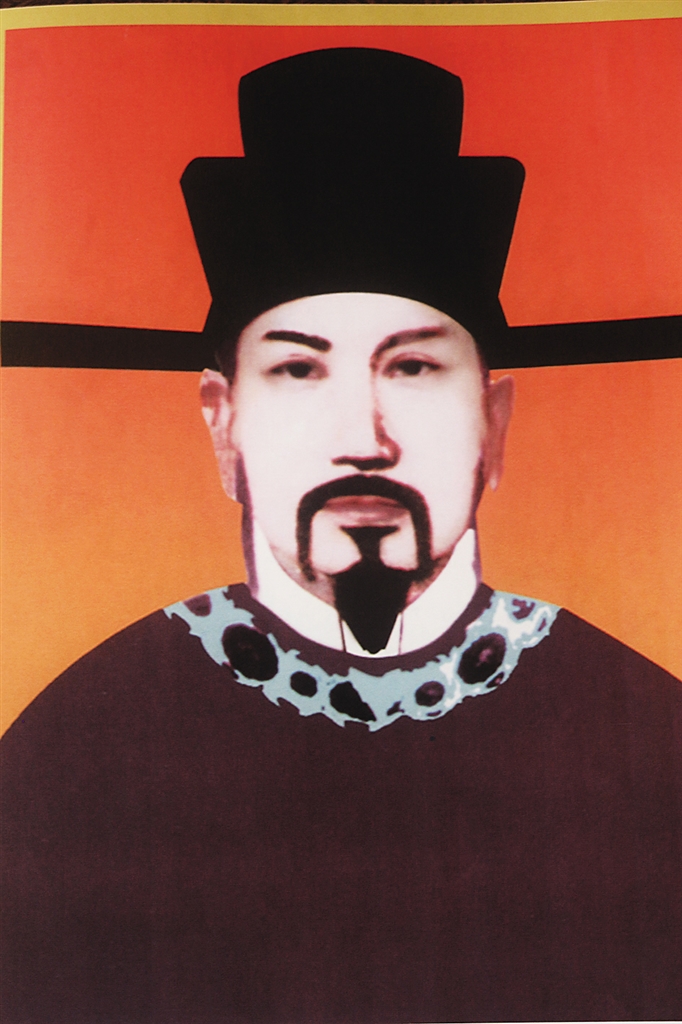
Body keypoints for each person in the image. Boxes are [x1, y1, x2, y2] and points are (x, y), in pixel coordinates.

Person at [2, 48, 680, 1024]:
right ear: (223, 424)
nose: (363, 439)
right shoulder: (78, 751)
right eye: (298, 370)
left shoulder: (647, 738)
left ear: (494, 424)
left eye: (412, 368)